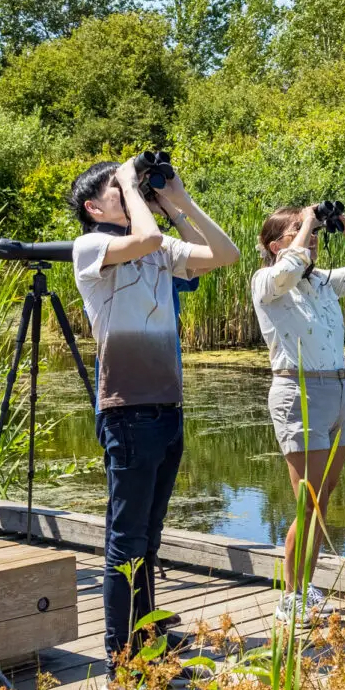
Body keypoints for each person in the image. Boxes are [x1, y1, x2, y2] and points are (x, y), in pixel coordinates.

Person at [67, 154, 239, 660]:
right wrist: (128, 181)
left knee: (150, 538)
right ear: (94, 207)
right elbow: (142, 239)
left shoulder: (158, 250)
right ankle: (122, 656)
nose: (128, 193)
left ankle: (148, 638)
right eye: (117, 190)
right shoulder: (91, 246)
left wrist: (178, 201)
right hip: (128, 411)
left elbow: (223, 254)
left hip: (167, 408)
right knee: (126, 541)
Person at [250, 204, 345, 626]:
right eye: (298, 231)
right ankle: (291, 598)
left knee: (322, 503)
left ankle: (306, 589)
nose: (311, 237)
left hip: (340, 390)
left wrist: (343, 223)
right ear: (276, 245)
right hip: (299, 391)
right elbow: (288, 269)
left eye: (312, 231)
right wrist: (306, 221)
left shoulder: (323, 282)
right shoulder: (268, 282)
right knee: (306, 504)